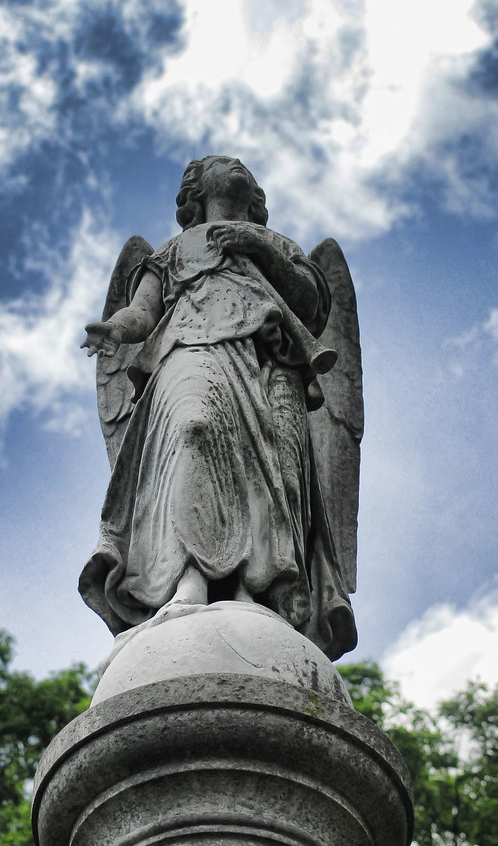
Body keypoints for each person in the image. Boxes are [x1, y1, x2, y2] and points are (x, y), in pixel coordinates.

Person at [80, 155, 357, 661]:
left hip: (267, 361)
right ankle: (188, 579)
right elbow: (144, 309)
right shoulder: (172, 251)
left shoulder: (278, 246)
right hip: (190, 349)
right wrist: (116, 330)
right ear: (195, 189)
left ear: (255, 195)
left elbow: (312, 305)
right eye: (221, 163)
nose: (235, 167)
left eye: (242, 167)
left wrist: (257, 247)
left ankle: (256, 594)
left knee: (274, 472)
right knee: (192, 429)